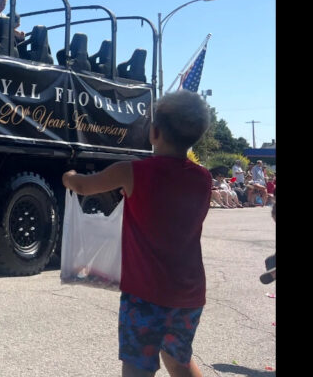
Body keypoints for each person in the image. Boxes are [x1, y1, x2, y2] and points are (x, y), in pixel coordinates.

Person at [61, 90, 212, 377]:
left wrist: (67, 176)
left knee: (137, 367)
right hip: (189, 294)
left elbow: (83, 186)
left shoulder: (131, 172)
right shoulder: (204, 179)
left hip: (145, 294)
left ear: (154, 132)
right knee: (178, 359)